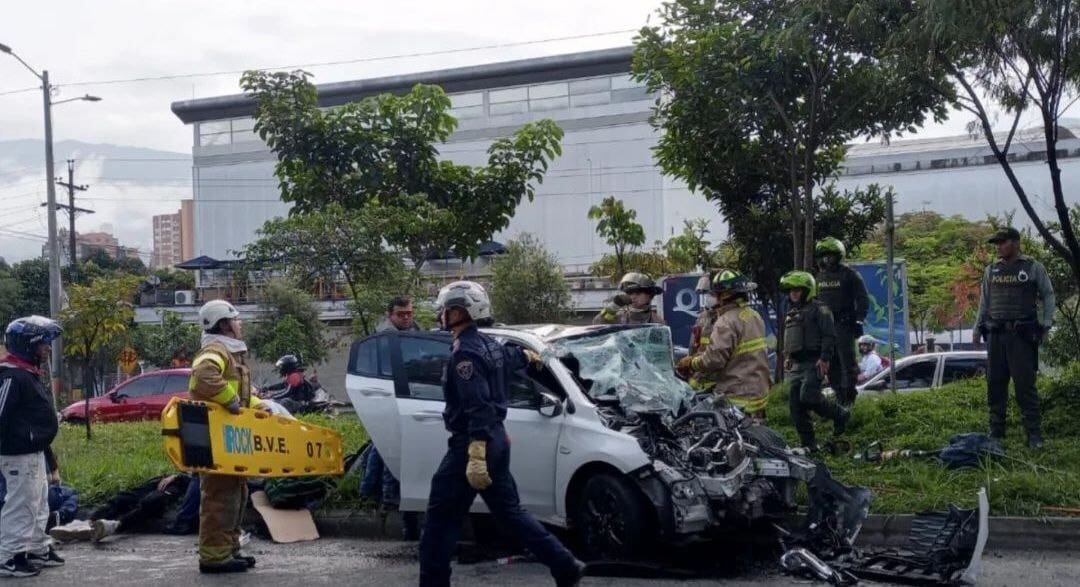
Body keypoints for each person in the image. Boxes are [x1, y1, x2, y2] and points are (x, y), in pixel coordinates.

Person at [419, 281, 585, 587]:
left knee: (440, 521)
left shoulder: (463, 354)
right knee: (510, 513)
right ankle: (564, 564)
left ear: (459, 311)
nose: (441, 315)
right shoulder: (491, 345)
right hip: (495, 440)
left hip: (471, 445)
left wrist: (477, 451)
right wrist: (533, 358)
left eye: (445, 309)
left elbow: (477, 404)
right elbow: (517, 358)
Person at [189, 300, 266, 574]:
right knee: (219, 497)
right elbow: (202, 377)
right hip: (214, 438)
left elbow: (243, 397)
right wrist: (231, 399)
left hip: (230, 439)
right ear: (224, 324)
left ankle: (228, 549)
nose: (240, 323)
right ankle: (213, 557)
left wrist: (260, 408)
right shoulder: (215, 350)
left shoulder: (230, 354)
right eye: (236, 319)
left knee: (236, 494)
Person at [974, 227, 1056, 449]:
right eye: (997, 243)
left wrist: (1046, 324)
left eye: (1003, 242)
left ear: (1016, 243)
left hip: (1021, 336)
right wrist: (976, 328)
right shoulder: (991, 270)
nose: (999, 246)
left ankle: (1034, 434)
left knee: (1025, 386)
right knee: (995, 384)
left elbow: (1048, 294)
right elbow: (984, 301)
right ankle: (996, 432)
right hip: (995, 335)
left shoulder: (1032, 267)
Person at [0, 316, 65, 578]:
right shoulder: (13, 376)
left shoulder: (27, 373)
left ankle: (37, 547)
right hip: (16, 453)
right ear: (27, 346)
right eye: (43, 343)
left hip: (32, 450)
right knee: (21, 504)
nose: (47, 348)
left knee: (39, 503)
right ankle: (9, 556)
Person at [362, 297, 423, 540]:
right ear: (391, 315)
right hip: (392, 401)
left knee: (394, 453)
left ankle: (378, 493)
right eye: (401, 314)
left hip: (411, 401)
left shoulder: (413, 331)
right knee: (392, 453)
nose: (406, 317)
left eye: (409, 313)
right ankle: (386, 497)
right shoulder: (386, 339)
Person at [676, 270, 771, 417]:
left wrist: (691, 363)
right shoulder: (754, 315)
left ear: (725, 295)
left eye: (714, 294)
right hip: (758, 394)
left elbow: (713, 360)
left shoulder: (726, 321)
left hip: (737, 396)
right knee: (756, 437)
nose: (711, 298)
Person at [780, 272, 850, 451]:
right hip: (798, 364)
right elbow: (790, 337)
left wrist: (825, 358)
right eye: (791, 291)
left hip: (815, 361)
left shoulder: (820, 308)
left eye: (797, 290)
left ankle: (840, 414)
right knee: (795, 406)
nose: (793, 294)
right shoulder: (792, 312)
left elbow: (829, 335)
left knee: (809, 396)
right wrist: (788, 357)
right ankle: (808, 444)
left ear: (807, 290)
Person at [49, 474, 192, 543]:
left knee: (152, 502)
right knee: (123, 498)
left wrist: (179, 477)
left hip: (184, 483)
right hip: (169, 476)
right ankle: (85, 524)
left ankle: (115, 526)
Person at [814, 237, 869, 407]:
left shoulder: (850, 274)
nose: (826, 260)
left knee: (847, 363)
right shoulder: (819, 277)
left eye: (830, 256)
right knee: (831, 365)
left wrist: (859, 320)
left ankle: (849, 399)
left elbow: (863, 299)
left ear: (838, 256)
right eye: (824, 256)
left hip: (844, 324)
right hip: (825, 328)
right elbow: (814, 302)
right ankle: (839, 398)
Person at [593, 272, 665, 325]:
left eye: (638, 293)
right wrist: (614, 305)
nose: (633, 297)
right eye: (630, 293)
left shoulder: (657, 322)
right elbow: (597, 323)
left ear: (650, 296)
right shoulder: (619, 317)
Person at [687, 271, 717, 356]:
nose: (707, 297)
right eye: (705, 293)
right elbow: (693, 343)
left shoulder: (726, 316)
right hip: (701, 365)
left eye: (711, 293)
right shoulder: (703, 316)